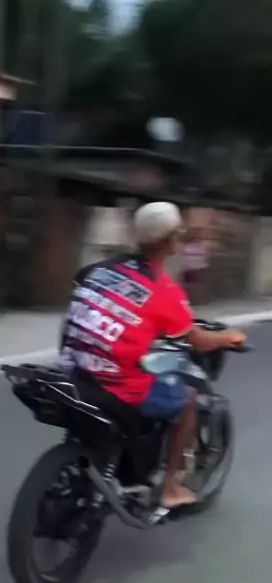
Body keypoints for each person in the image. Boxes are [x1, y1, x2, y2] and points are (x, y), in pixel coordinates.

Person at [59, 201, 245, 509]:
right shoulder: (164, 292)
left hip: (73, 368)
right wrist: (229, 337)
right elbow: (198, 342)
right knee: (187, 400)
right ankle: (170, 488)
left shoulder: (99, 269)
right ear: (171, 240)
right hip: (114, 385)